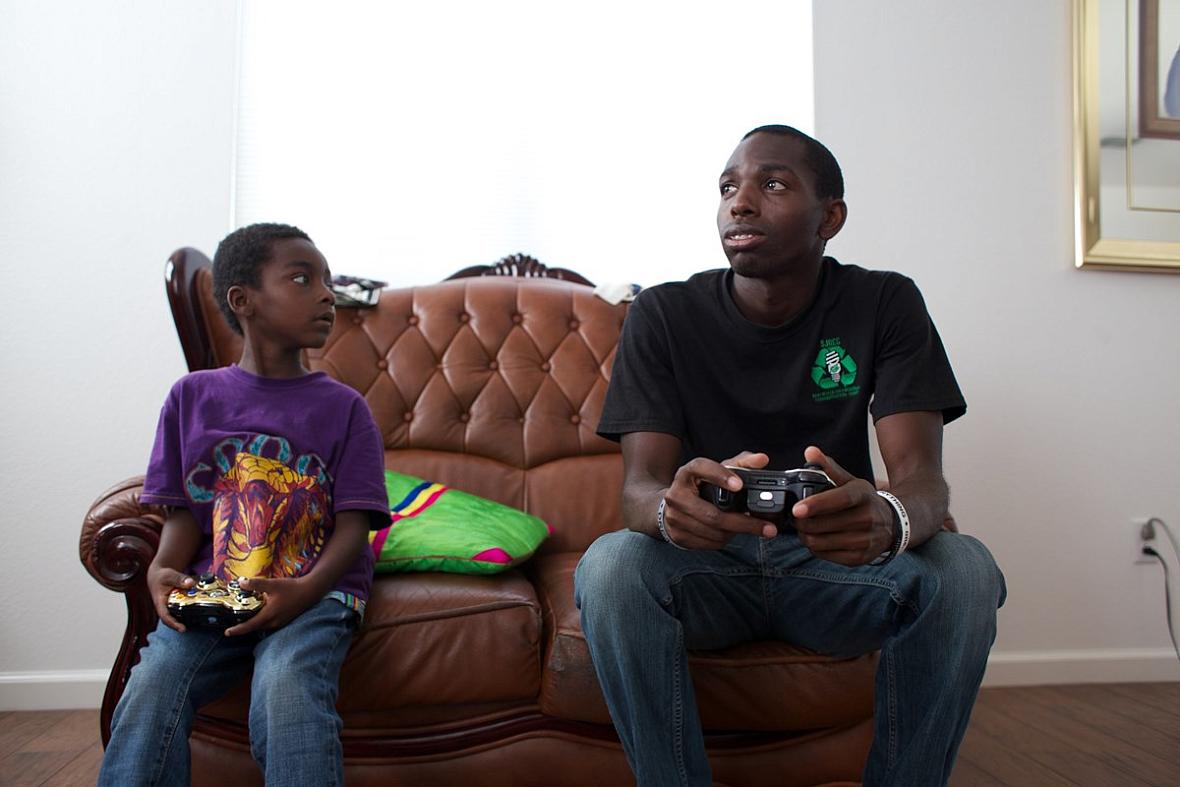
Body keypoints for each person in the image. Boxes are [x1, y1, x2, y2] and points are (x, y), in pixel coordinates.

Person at [574, 126, 1006, 787]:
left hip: (836, 568)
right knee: (609, 565)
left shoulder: (884, 302)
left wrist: (891, 517)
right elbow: (638, 490)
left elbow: (924, 481)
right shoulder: (663, 313)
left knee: (967, 569)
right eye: (728, 188)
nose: (739, 203)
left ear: (829, 216)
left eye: (771, 184)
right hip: (706, 566)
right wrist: (669, 512)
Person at [98, 223, 390, 787]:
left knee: (286, 687)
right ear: (243, 300)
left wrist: (305, 590)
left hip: (317, 595)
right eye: (303, 279)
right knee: (154, 683)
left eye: (329, 281)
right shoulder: (192, 397)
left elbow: (356, 526)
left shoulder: (346, 408)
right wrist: (163, 570)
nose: (327, 294)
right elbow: (183, 512)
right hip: (217, 593)